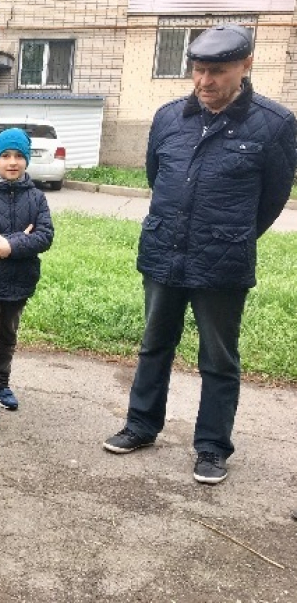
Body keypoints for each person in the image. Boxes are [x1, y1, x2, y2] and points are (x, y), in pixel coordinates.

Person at [103, 24, 296, 484]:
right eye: (198, 70)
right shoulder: (169, 117)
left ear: (246, 66)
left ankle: (211, 447)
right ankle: (141, 425)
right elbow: (157, 177)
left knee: (218, 358)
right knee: (154, 345)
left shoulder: (275, 124)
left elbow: (272, 199)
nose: (205, 81)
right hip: (163, 255)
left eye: (217, 71)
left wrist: (232, 236)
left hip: (223, 264)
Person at [0, 128, 54, 437]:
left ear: (26, 160)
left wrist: (11, 246)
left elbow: (45, 236)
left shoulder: (37, 198)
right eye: (6, 155)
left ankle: (0, 384)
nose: (12, 162)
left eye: (18, 156)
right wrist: (13, 241)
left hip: (20, 283)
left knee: (7, 336)